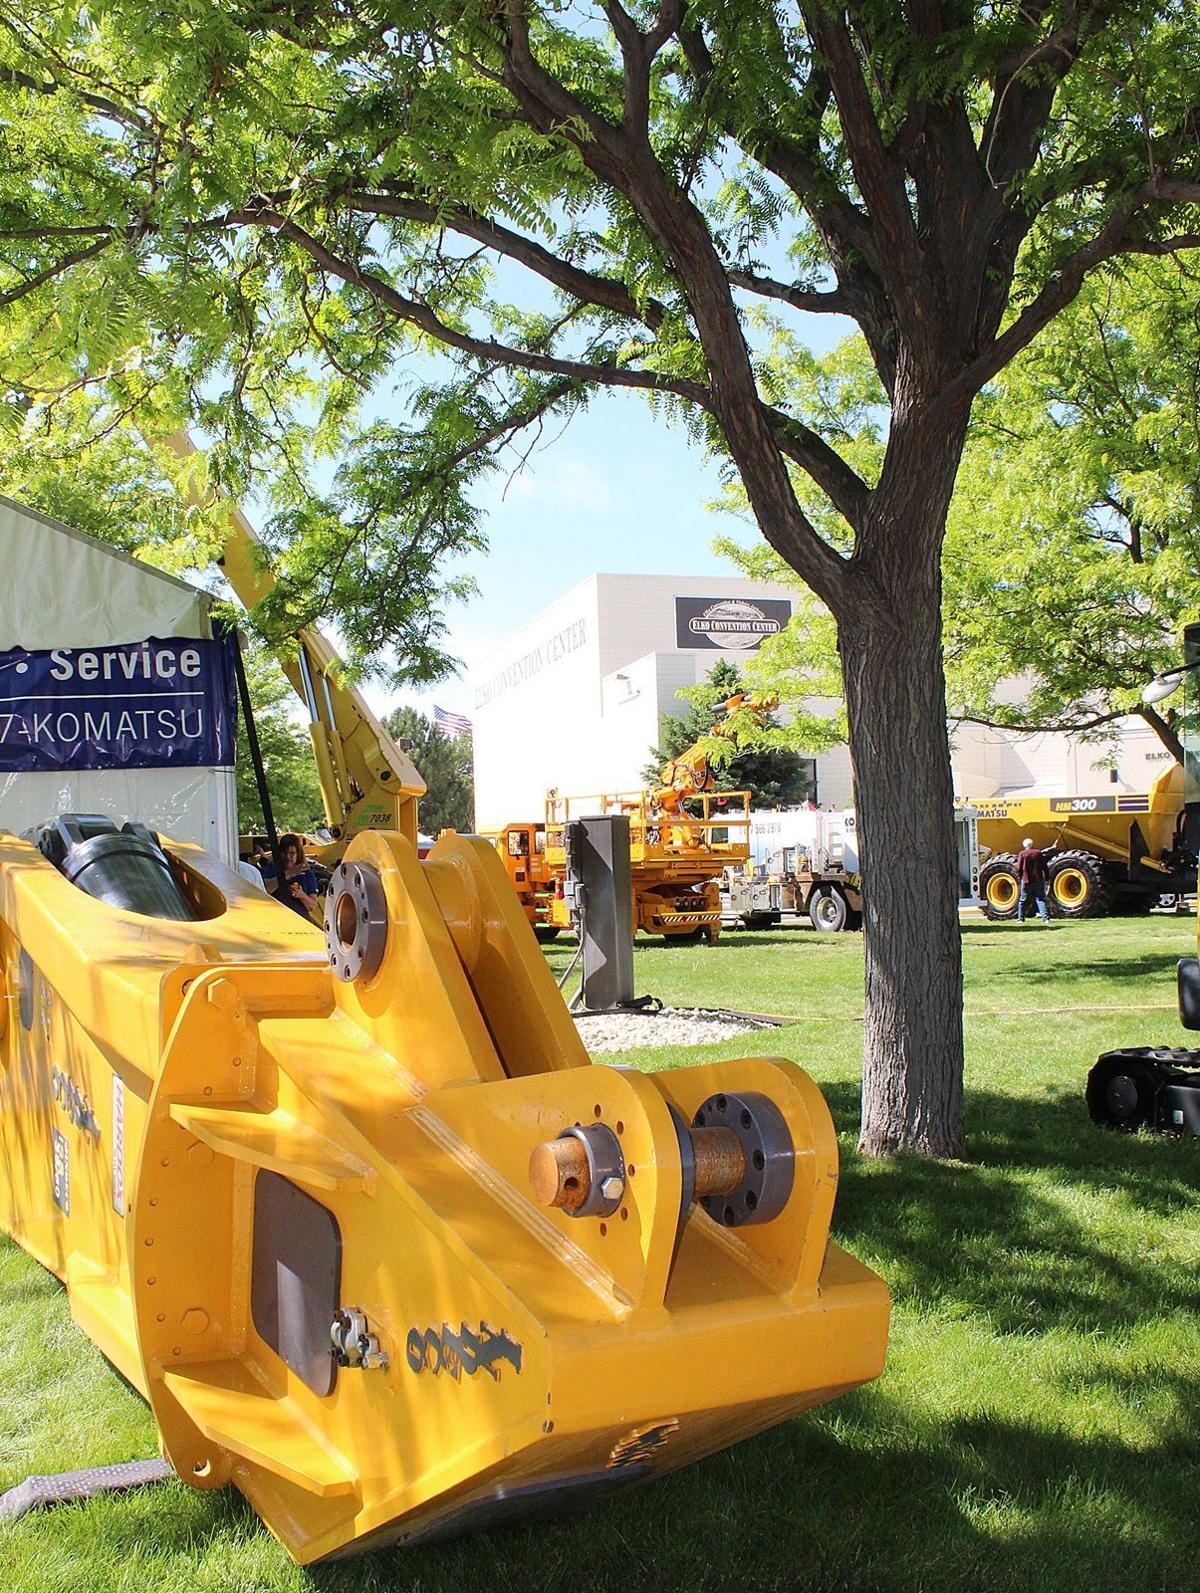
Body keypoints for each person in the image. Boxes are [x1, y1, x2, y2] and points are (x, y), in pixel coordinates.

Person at [261, 833, 320, 919]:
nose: (288, 857)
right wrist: (288, 873)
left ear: (298, 854)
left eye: (292, 853)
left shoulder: (307, 872)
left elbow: (312, 906)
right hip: (276, 917)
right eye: (285, 853)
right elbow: (265, 889)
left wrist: (301, 895)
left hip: (300, 920)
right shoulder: (273, 867)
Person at [1016, 836, 1050, 924]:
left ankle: (1020, 918)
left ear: (1024, 845)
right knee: (1040, 899)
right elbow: (1044, 867)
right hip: (1038, 879)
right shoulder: (1038, 853)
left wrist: (1019, 877)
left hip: (1026, 880)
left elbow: (1019, 867)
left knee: (1023, 900)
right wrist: (1047, 878)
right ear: (1032, 844)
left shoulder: (1022, 854)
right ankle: (1045, 918)